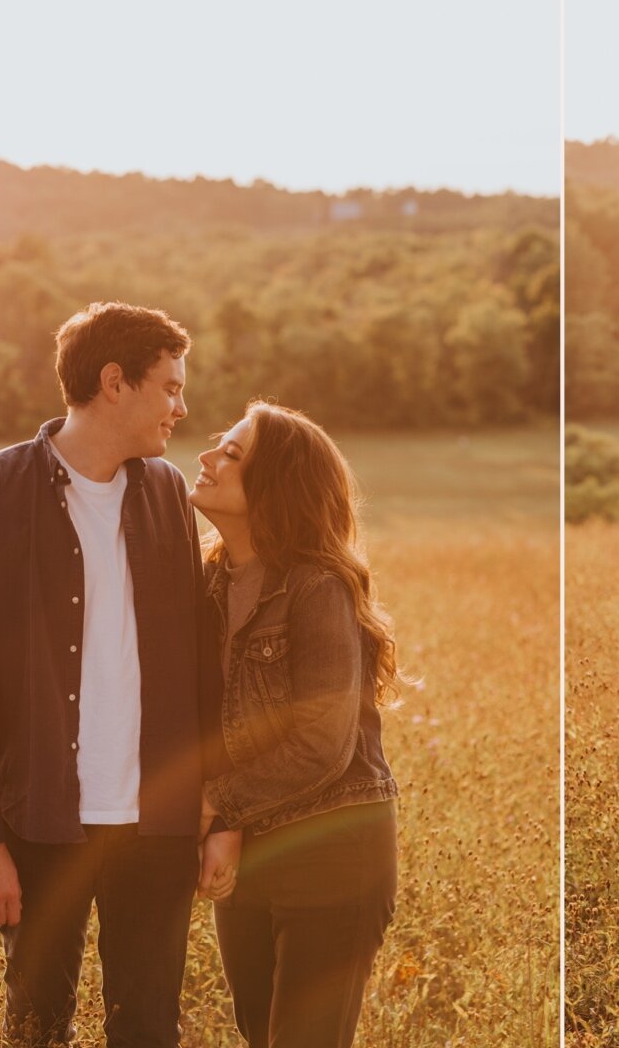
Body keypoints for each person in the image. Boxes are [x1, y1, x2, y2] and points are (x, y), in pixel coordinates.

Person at [0, 301, 237, 1046]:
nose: (182, 405)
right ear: (114, 382)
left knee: (148, 1031)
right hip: (37, 824)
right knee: (36, 1027)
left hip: (156, 826)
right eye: (168, 386)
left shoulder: (169, 493)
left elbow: (201, 664)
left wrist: (217, 807)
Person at [191, 400, 400, 1048]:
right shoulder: (210, 581)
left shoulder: (317, 588)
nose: (206, 458)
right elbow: (209, 721)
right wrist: (226, 826)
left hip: (334, 851)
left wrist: (215, 809)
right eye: (217, 446)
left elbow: (321, 744)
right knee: (261, 1035)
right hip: (252, 850)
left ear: (275, 485)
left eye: (231, 454)